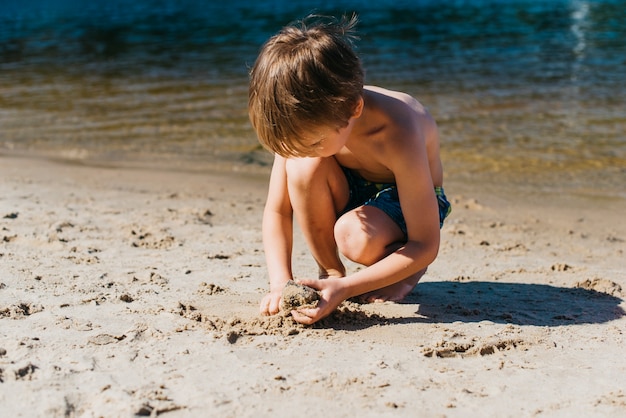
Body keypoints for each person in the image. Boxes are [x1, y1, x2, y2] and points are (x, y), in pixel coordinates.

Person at [248, 14, 451, 325]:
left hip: (410, 200)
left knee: (353, 236)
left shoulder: (396, 129)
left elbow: (426, 244)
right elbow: (277, 212)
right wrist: (280, 283)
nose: (300, 150)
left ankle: (404, 271)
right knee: (301, 170)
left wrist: (346, 290)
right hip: (351, 185)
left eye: (311, 143)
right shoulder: (302, 120)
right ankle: (330, 272)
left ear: (354, 108)